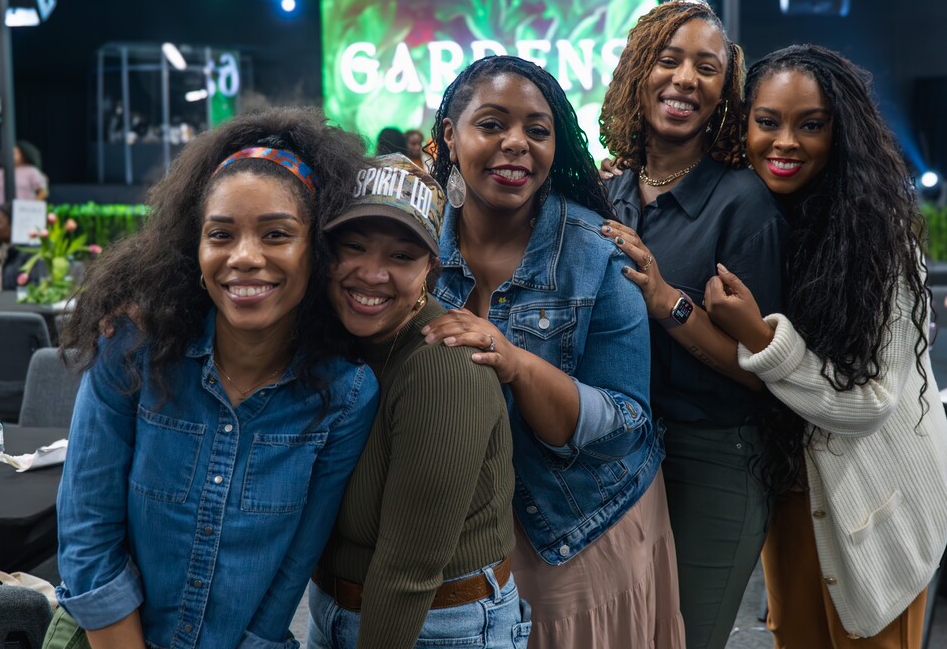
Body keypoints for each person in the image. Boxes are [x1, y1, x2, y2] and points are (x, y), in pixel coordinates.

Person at [56, 108, 378, 649]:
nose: (245, 258)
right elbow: (88, 534)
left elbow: (293, 569)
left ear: (317, 251)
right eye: (221, 234)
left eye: (277, 234)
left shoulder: (344, 395)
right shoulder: (134, 351)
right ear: (195, 249)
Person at [424, 55, 683, 648]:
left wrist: (517, 366)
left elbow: (626, 423)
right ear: (449, 136)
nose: (516, 143)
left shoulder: (598, 254)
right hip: (452, 535)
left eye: (537, 131)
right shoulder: (406, 249)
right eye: (491, 124)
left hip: (579, 525)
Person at [703, 44, 947, 647]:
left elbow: (868, 404)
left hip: (875, 501)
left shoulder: (880, 240)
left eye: (809, 125)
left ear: (841, 133)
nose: (785, 141)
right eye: (767, 122)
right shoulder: (755, 214)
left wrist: (759, 338)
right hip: (795, 491)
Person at [597, 0, 786, 649]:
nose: (684, 79)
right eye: (668, 59)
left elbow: (767, 374)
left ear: (724, 91)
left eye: (706, 68)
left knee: (687, 636)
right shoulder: (614, 190)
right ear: (637, 70)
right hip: (622, 454)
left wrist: (668, 301)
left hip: (714, 457)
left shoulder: (745, 203)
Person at [308, 153, 525, 649]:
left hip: (437, 627)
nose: (371, 273)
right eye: (354, 247)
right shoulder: (330, 339)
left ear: (431, 268)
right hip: (336, 609)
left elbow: (409, 571)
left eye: (401, 256)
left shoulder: (444, 365)